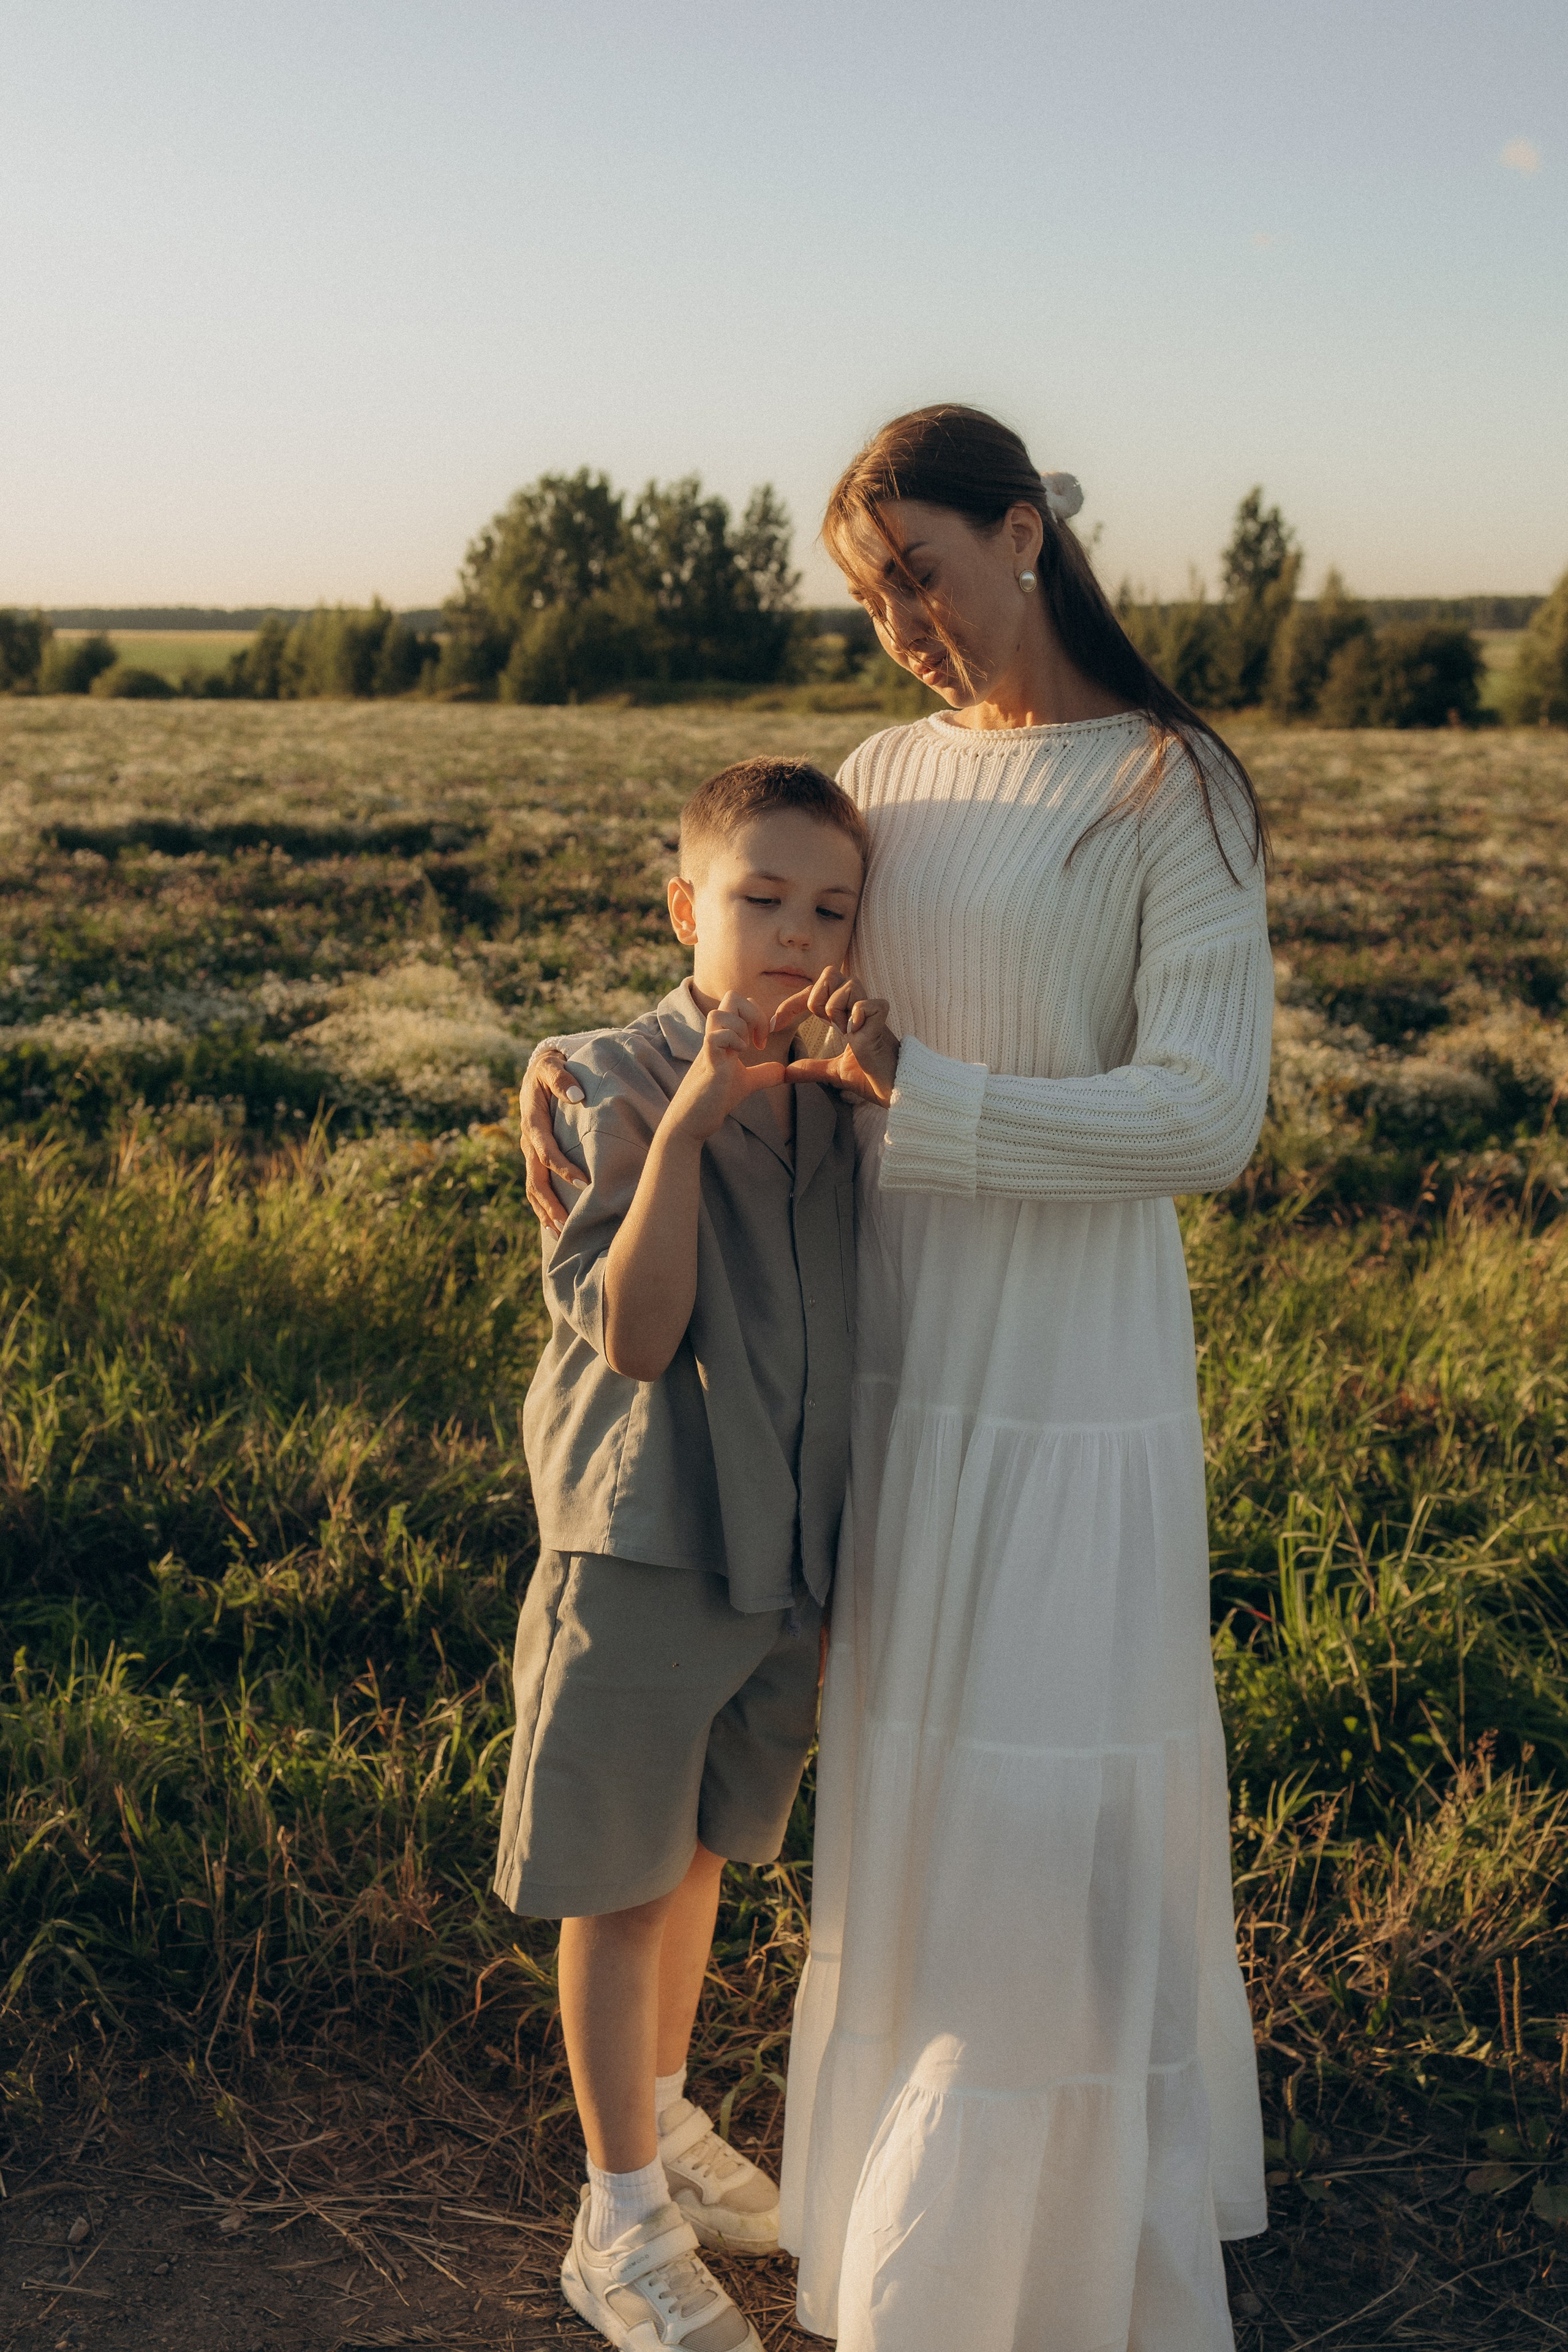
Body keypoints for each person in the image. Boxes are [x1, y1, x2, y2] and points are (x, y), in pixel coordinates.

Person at [522, 405, 1273, 2351]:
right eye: (869, 598)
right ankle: (877, 2186)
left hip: (1068, 1363)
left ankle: (1027, 2231)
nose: (902, 627)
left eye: (922, 576)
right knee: (903, 1785)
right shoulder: (883, 770)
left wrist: (928, 1100)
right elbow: (749, 969)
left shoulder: (1170, 791)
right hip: (872, 1361)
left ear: (1026, 533)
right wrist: (579, 1063)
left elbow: (1206, 1119)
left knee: (1040, 1772)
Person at [497, 756, 896, 2352]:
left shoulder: (843, 1087)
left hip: (785, 1543)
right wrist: (693, 1117)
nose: (793, 935)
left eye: (830, 909)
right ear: (683, 908)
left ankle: (660, 2121)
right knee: (614, 1877)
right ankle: (616, 2221)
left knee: (705, 1856)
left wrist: (856, 1084)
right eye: (759, 899)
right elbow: (643, 1335)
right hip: (648, 1541)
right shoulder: (603, 1081)